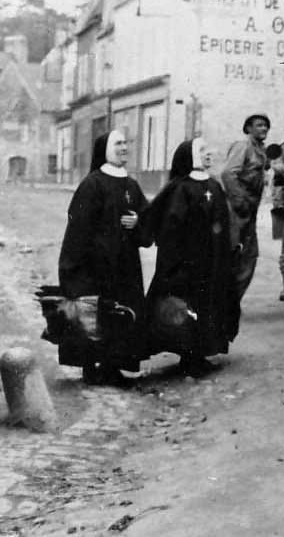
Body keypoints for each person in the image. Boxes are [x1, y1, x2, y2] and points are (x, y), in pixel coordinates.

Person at [55, 129, 150, 386]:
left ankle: (113, 367)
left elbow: (147, 220)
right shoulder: (92, 184)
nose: (124, 148)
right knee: (94, 314)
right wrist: (74, 267)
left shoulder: (131, 185)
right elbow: (78, 228)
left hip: (125, 264)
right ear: (106, 149)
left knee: (121, 313)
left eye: (126, 143)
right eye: (118, 144)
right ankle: (91, 367)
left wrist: (138, 222)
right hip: (96, 265)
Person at [142, 138, 238, 376]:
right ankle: (188, 358)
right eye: (202, 150)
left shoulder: (214, 185)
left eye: (209, 150)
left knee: (209, 304)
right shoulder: (181, 188)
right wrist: (175, 262)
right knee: (187, 307)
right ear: (191, 156)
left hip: (213, 262)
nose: (208, 154)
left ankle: (201, 353)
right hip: (188, 264)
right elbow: (170, 227)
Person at [221, 112, 271, 304]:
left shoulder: (260, 149)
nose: (264, 128)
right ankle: (224, 305)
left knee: (249, 257)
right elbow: (228, 173)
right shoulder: (243, 146)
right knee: (232, 256)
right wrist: (240, 201)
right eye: (259, 125)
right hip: (236, 210)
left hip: (249, 210)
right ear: (248, 128)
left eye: (265, 125)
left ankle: (231, 304)